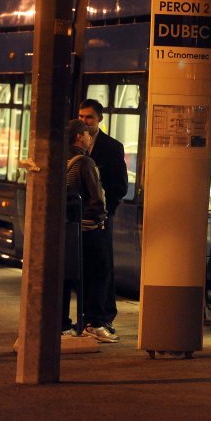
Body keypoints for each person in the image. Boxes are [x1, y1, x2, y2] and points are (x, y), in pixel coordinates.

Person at [63, 119, 118, 343]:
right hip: (90, 229)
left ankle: (67, 323)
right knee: (98, 274)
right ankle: (94, 323)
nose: (89, 139)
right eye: (87, 135)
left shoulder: (61, 159)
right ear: (79, 137)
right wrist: (100, 218)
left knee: (74, 277)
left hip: (70, 231)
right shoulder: (85, 163)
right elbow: (97, 198)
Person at [78, 99, 128, 335]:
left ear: (100, 119)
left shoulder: (112, 147)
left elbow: (120, 185)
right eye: (81, 116)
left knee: (102, 266)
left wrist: (107, 212)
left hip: (100, 219)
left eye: (89, 117)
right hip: (77, 219)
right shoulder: (71, 146)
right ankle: (90, 317)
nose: (84, 121)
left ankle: (102, 316)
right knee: (82, 268)